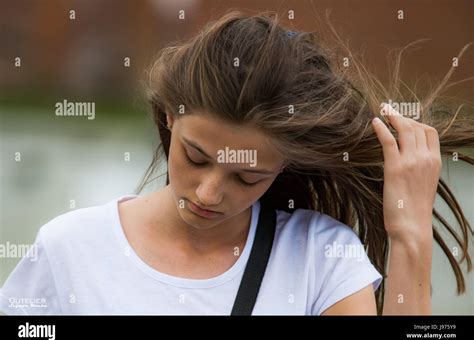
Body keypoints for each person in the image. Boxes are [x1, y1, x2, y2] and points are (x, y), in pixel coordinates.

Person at [1, 10, 472, 315]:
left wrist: (411, 240)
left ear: (285, 164)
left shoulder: (321, 258)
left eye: (248, 176)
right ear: (170, 115)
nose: (208, 194)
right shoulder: (68, 248)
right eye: (195, 156)